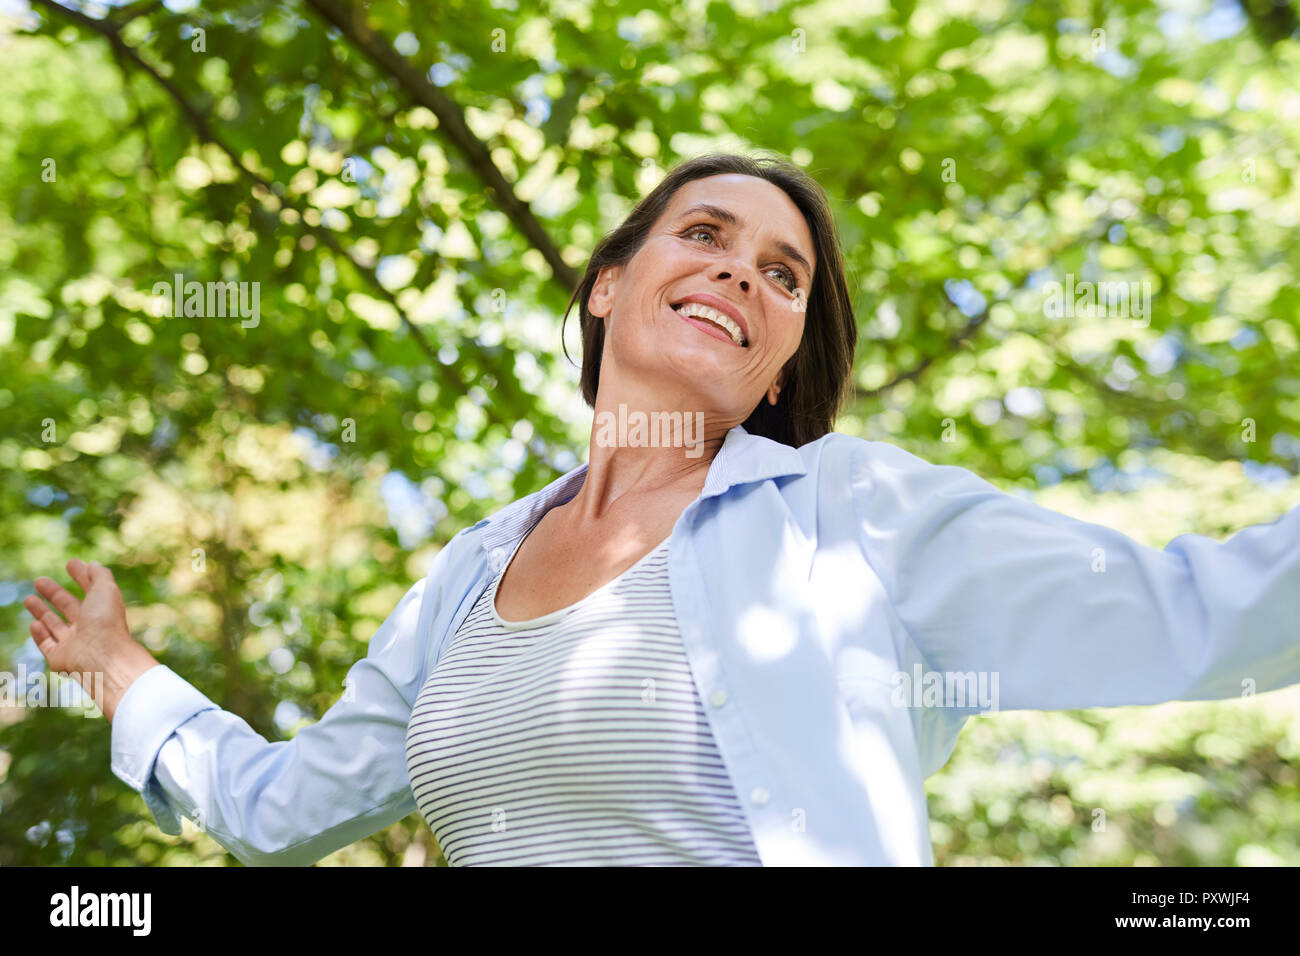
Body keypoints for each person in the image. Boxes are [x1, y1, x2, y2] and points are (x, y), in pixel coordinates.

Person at [24, 153, 1300, 866]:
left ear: (783, 354)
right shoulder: (466, 576)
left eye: (782, 271)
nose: (742, 266)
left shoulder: (850, 512)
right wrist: (123, 669)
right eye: (705, 232)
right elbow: (279, 808)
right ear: (607, 286)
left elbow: (1200, 610)